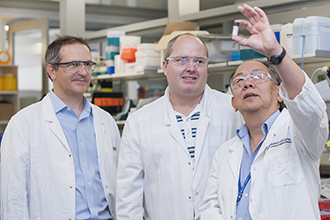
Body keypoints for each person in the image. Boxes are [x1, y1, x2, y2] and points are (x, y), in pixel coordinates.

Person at [196, 4, 329, 220]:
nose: (247, 83)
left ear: (279, 93)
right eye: (239, 81)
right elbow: (208, 208)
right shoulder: (225, 153)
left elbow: (309, 107)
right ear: (234, 103)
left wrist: (275, 52)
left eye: (257, 77)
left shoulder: (299, 134)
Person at [116, 33, 244, 220]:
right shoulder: (139, 121)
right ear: (165, 67)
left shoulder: (234, 110)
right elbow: (128, 197)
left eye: (199, 61)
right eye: (181, 60)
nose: (191, 68)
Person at [1, 35, 121, 220]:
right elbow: (12, 197)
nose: (83, 71)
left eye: (87, 64)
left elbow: (118, 182)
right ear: (52, 71)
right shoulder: (23, 123)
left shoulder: (105, 120)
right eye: (73, 64)